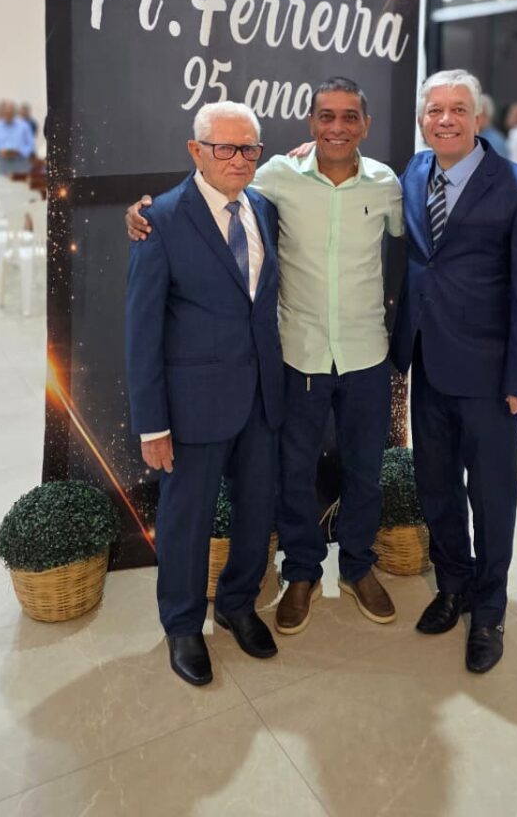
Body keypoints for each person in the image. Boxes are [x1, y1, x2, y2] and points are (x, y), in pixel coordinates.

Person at [127, 78, 404, 636]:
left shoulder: (384, 184)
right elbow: (196, 206)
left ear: (365, 125)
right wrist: (139, 212)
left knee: (358, 474)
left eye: (349, 117)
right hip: (293, 361)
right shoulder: (270, 178)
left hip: (360, 356)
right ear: (310, 122)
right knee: (290, 478)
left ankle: (352, 568)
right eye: (326, 116)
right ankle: (293, 575)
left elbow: (416, 243)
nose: (337, 127)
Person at [391, 69, 517, 674]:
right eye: (435, 109)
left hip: (489, 374)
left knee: (489, 495)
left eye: (458, 109)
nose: (446, 119)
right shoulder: (413, 173)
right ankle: (453, 584)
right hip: (428, 363)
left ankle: (489, 607)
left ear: (479, 118)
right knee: (435, 485)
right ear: (422, 120)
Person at [125, 100, 284, 686]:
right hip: (193, 407)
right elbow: (141, 330)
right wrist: (153, 424)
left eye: (249, 148)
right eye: (225, 147)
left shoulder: (264, 208)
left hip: (262, 397)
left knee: (256, 512)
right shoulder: (160, 220)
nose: (238, 159)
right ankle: (184, 624)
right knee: (186, 522)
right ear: (196, 151)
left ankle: (239, 604)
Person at [0, 100, 35, 176]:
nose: (8, 115)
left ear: (15, 113)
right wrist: (0, 151)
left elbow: (31, 146)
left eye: (10, 112)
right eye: (6, 112)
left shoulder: (24, 126)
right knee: (1, 183)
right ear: (2, 113)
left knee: (21, 183)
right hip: (3, 163)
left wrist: (19, 151)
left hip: (20, 162)